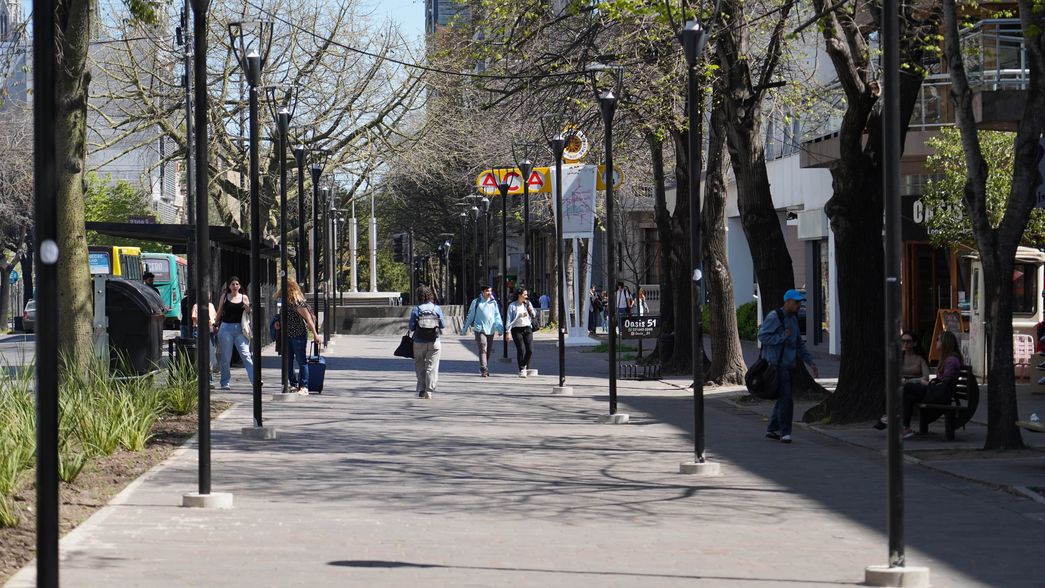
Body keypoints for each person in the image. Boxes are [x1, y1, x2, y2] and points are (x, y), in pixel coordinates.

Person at [759, 289, 819, 444]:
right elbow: (763, 336)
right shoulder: (774, 317)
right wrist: (781, 337)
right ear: (787, 302)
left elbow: (798, 342)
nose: (799, 305)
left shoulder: (793, 319)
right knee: (786, 398)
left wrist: (810, 361)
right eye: (796, 302)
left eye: (800, 302)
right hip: (777, 364)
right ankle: (785, 432)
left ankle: (772, 428)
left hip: (789, 363)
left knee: (783, 397)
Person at [902, 330, 963, 439]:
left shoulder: (952, 360)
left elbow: (945, 383)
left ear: (945, 343)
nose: (936, 342)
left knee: (908, 387)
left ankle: (891, 416)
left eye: (938, 339)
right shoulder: (946, 359)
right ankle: (906, 428)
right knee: (909, 396)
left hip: (941, 395)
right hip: (936, 391)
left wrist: (926, 384)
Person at [274, 278, 322, 395]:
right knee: (288, 362)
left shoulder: (297, 302)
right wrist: (278, 323)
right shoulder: (284, 301)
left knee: (301, 361)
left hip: (298, 335)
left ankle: (304, 386)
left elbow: (309, 319)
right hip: (286, 335)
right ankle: (293, 384)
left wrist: (315, 335)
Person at [874, 331, 930, 430]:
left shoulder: (920, 358)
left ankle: (889, 418)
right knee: (902, 394)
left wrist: (911, 381)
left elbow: (925, 378)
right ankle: (896, 421)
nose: (905, 344)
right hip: (903, 387)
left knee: (903, 391)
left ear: (915, 343)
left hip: (915, 387)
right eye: (903, 341)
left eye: (908, 341)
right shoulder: (899, 357)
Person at [214, 276, 255, 390]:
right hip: (226, 328)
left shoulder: (244, 297)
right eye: (233, 284)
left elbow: (249, 313)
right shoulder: (225, 297)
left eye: (237, 284)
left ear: (240, 286)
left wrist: (247, 308)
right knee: (226, 357)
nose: (235, 286)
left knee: (246, 354)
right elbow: (220, 311)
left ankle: (254, 380)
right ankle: (225, 382)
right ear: (229, 286)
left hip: (240, 329)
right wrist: (216, 324)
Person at [409, 285, 445, 398]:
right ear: (430, 295)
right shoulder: (437, 309)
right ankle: (429, 391)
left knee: (420, 365)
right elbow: (443, 325)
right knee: (432, 367)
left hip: (419, 342)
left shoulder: (416, 309)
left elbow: (411, 327)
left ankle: (421, 389)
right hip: (434, 341)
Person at [461, 285, 504, 377]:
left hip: (491, 329)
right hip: (479, 328)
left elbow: (497, 317)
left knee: (488, 350)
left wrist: (500, 329)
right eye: (488, 291)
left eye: (490, 291)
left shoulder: (493, 303)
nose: (490, 293)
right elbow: (470, 316)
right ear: (483, 292)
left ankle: (485, 366)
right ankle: (483, 368)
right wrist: (464, 329)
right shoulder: (476, 302)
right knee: (483, 347)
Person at [506, 288, 537, 378]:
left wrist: (532, 311)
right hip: (516, 329)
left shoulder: (527, 303)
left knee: (530, 350)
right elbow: (508, 320)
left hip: (527, 328)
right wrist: (507, 332)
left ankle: (523, 366)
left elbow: (534, 314)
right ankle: (521, 370)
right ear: (519, 295)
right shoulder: (512, 306)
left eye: (527, 295)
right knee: (521, 350)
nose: (526, 296)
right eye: (525, 295)